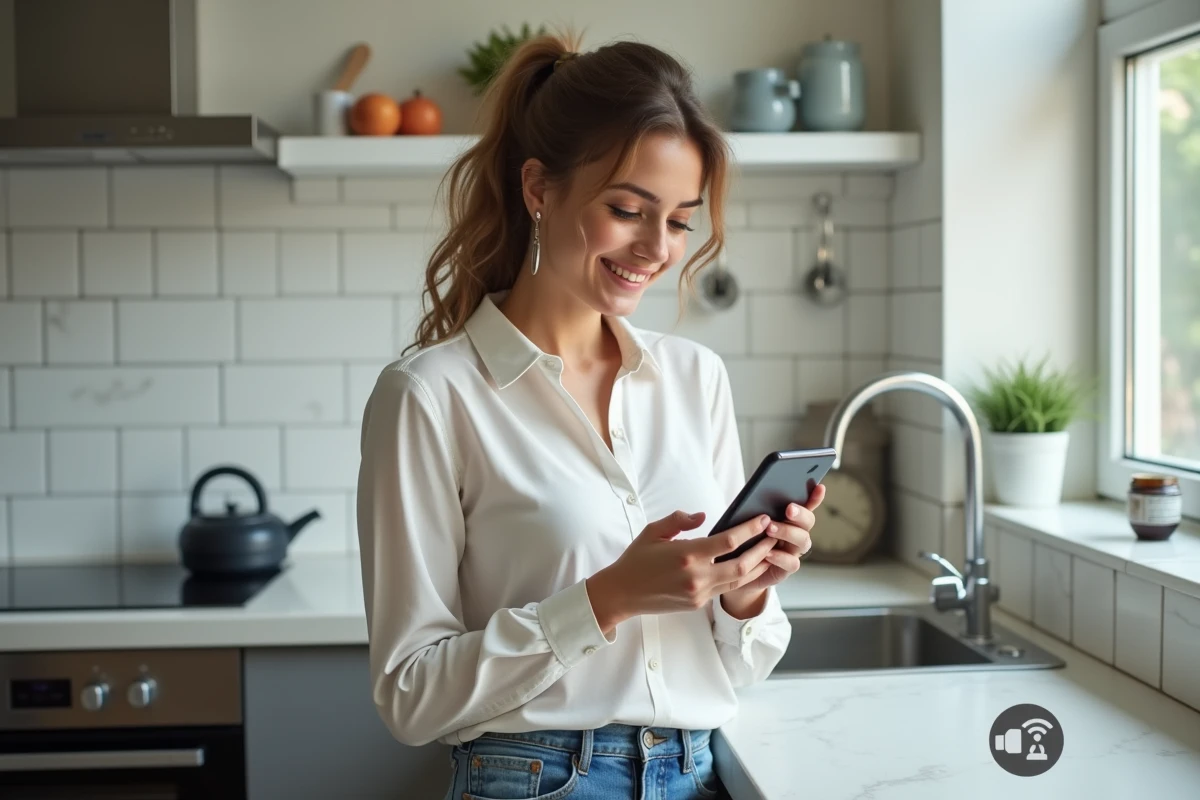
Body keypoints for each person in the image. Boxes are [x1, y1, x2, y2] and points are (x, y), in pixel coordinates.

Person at [356, 30, 824, 800]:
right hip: (532, 780)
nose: (657, 248)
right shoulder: (431, 396)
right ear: (539, 189)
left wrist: (747, 589)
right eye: (628, 209)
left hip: (696, 773)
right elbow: (409, 694)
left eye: (679, 220)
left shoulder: (694, 378)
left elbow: (745, 663)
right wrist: (607, 598)